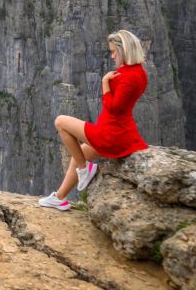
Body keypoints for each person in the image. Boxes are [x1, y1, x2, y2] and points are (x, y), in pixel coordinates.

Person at [39, 29, 149, 210]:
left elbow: (114, 107)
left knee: (61, 122)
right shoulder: (140, 73)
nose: (112, 56)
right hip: (123, 132)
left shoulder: (127, 77)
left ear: (124, 50)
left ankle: (85, 170)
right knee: (80, 152)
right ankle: (59, 198)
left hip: (110, 134)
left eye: (114, 52)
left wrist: (105, 83)